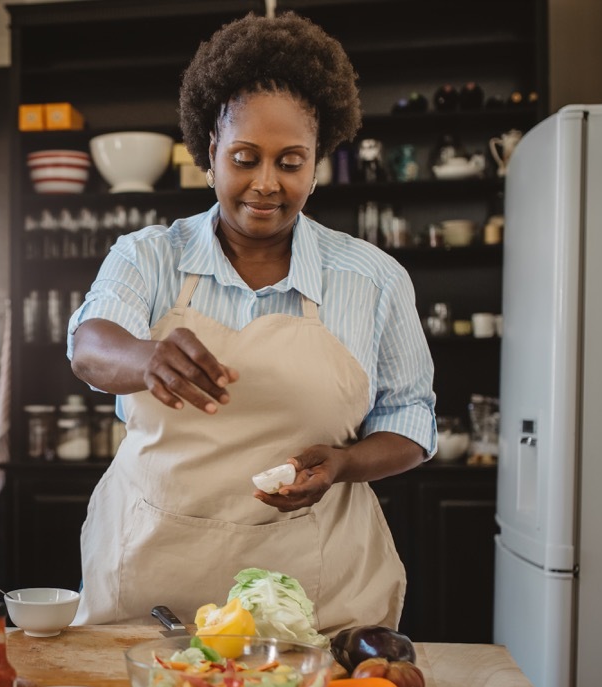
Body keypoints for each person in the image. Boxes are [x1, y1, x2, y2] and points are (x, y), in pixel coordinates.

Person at [66, 12, 436, 636]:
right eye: (245, 158)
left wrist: (344, 465)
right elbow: (89, 346)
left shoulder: (373, 280)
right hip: (153, 586)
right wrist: (147, 358)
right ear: (210, 152)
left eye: (291, 162)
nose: (266, 184)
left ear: (317, 162)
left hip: (315, 594)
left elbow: (411, 418)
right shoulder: (149, 256)